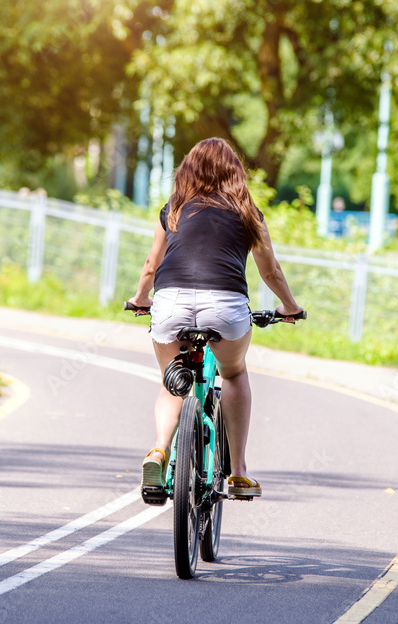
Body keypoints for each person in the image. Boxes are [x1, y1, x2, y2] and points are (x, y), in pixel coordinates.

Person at [128, 137, 303, 500]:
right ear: (235, 173)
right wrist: (290, 307)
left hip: (171, 303)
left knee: (171, 381)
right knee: (234, 373)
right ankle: (238, 472)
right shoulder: (248, 212)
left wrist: (140, 299)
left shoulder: (173, 208)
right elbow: (270, 273)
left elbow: (151, 266)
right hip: (226, 307)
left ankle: (160, 450)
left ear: (187, 171)